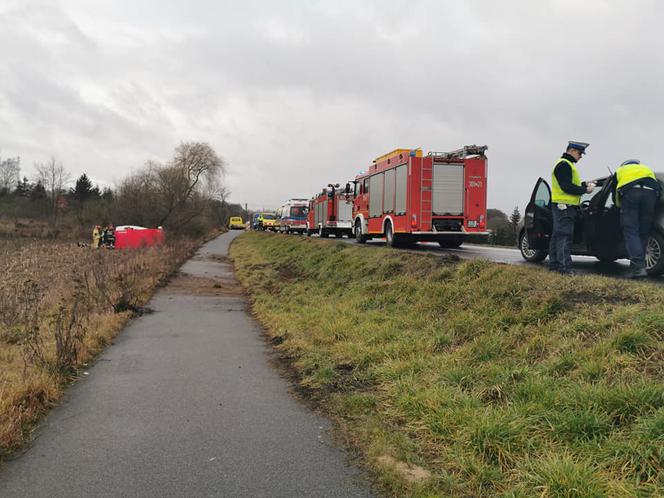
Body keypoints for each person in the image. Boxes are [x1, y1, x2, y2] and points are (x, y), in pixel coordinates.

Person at [549, 141, 596, 275]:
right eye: (580, 153)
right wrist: (585, 190)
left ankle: (554, 266)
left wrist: (583, 184)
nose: (581, 156)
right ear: (572, 150)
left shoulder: (565, 164)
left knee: (557, 235)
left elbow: (568, 183)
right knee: (564, 236)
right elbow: (566, 186)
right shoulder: (564, 164)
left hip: (561, 205)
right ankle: (565, 268)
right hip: (565, 206)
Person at [615, 159, 661, 278]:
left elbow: (616, 193)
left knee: (631, 230)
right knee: (643, 231)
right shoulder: (646, 169)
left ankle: (637, 268)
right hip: (651, 194)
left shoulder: (621, 170)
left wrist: (620, 206)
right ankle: (639, 267)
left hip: (632, 193)